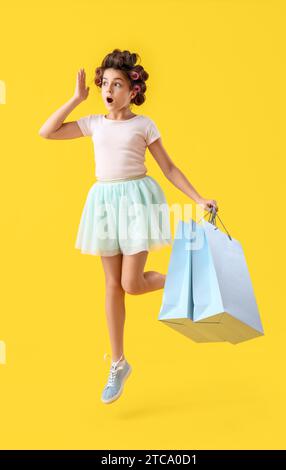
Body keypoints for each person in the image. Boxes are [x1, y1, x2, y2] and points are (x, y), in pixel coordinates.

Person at [38, 48, 218, 405]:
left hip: (138, 201)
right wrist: (76, 98)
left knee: (132, 284)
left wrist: (198, 199)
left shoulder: (144, 124)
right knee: (112, 285)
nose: (109, 89)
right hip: (104, 203)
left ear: (132, 91)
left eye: (117, 84)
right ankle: (118, 363)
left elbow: (168, 167)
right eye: (105, 82)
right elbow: (47, 132)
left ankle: (186, 282)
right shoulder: (93, 123)